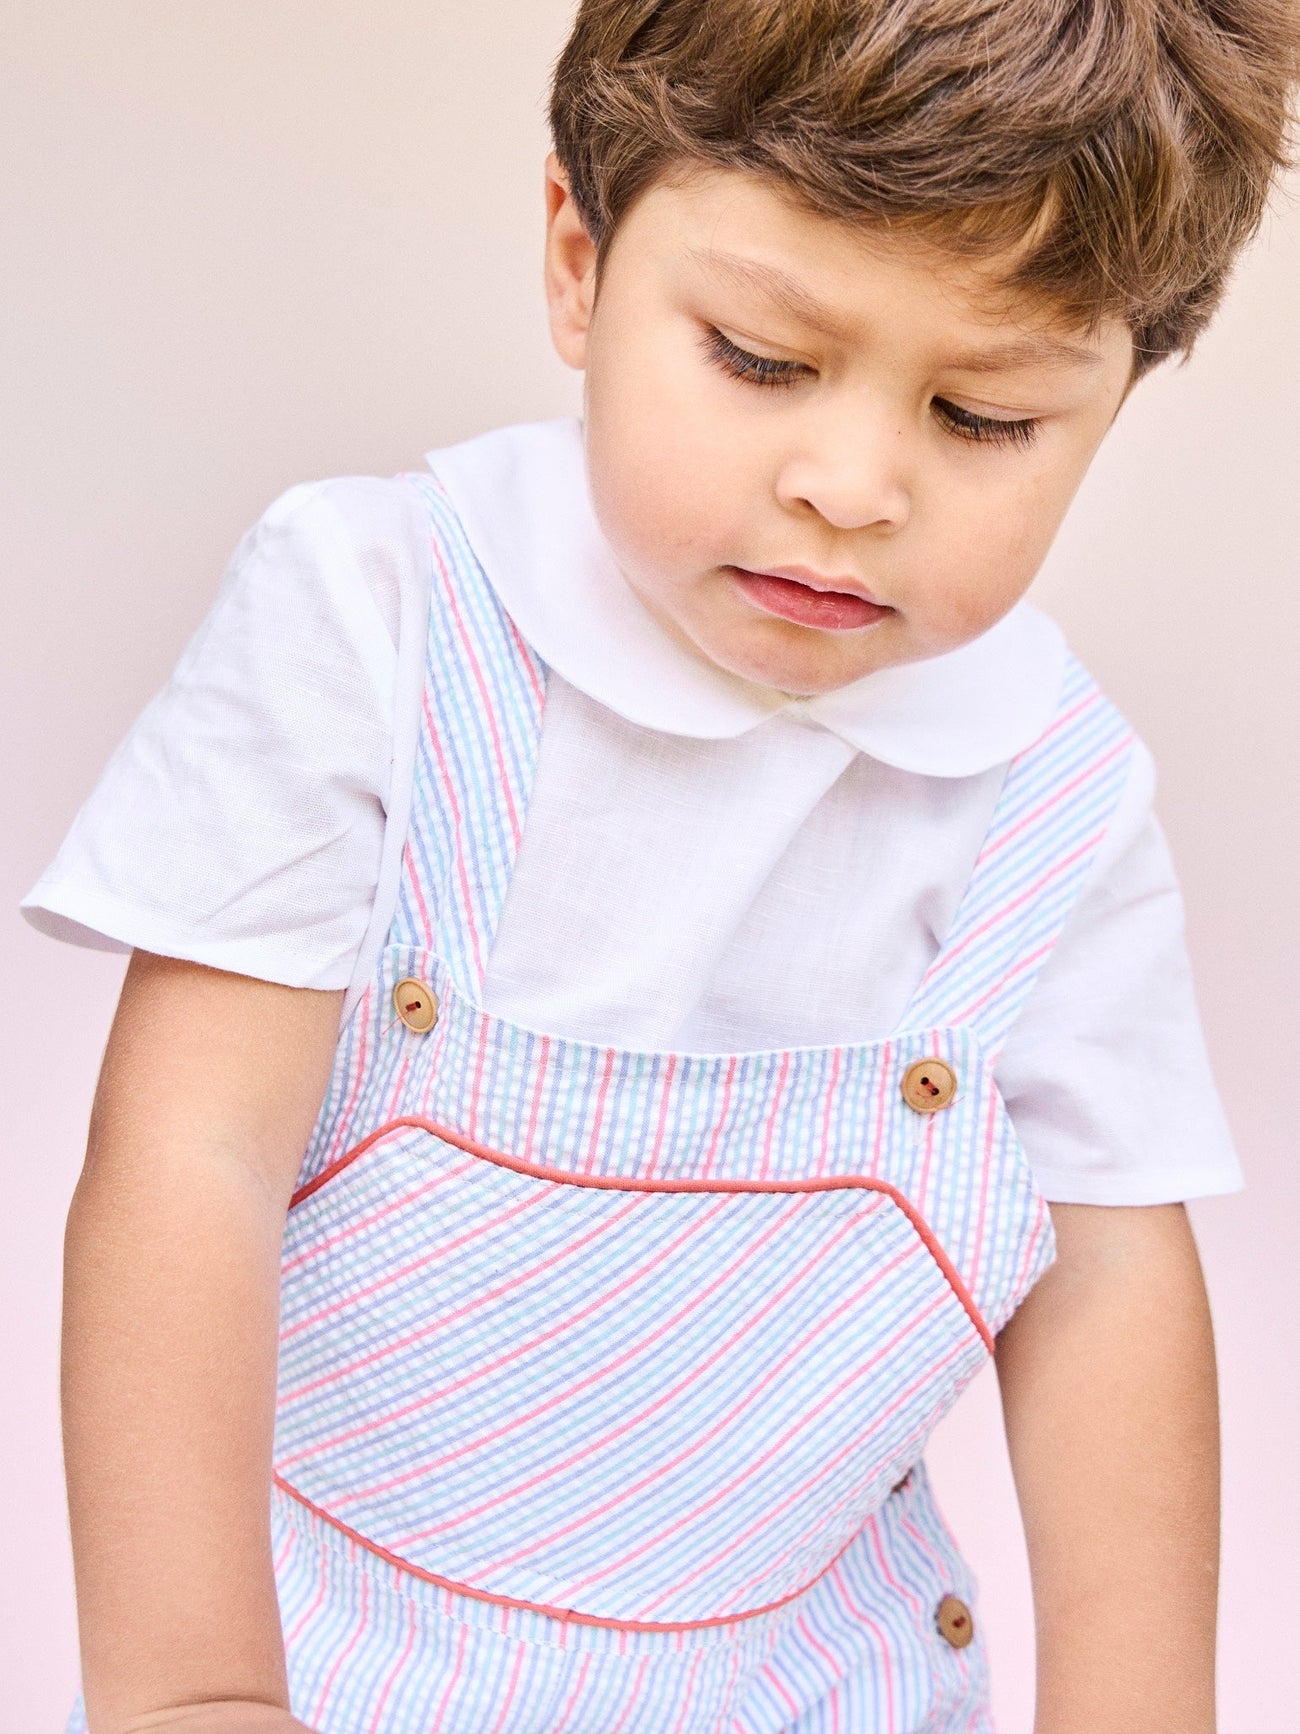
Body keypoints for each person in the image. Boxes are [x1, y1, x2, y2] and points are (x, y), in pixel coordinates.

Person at [23, 2, 1300, 1729]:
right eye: (764, 359)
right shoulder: (379, 619)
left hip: (813, 1688)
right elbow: (192, 1150)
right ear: (579, 259)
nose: (852, 485)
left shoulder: (1054, 793)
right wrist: (191, 1691)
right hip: (326, 1671)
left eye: (984, 416)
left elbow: (1113, 1284)